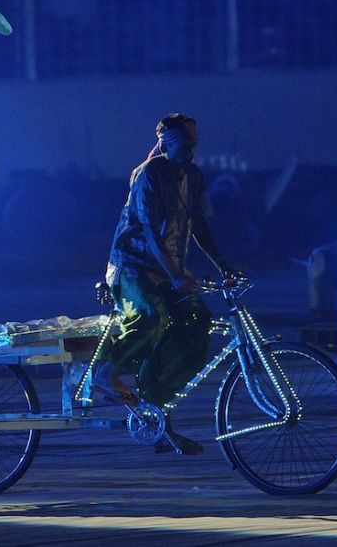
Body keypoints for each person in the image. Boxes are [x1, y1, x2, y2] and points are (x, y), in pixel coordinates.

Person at [96, 113, 236, 455]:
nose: (190, 152)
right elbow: (148, 232)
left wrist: (224, 268)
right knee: (151, 317)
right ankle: (107, 371)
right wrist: (175, 276)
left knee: (196, 323)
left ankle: (155, 405)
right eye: (183, 145)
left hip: (167, 270)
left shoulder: (193, 176)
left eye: (193, 145)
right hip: (132, 268)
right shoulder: (149, 175)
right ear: (166, 143)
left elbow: (200, 227)